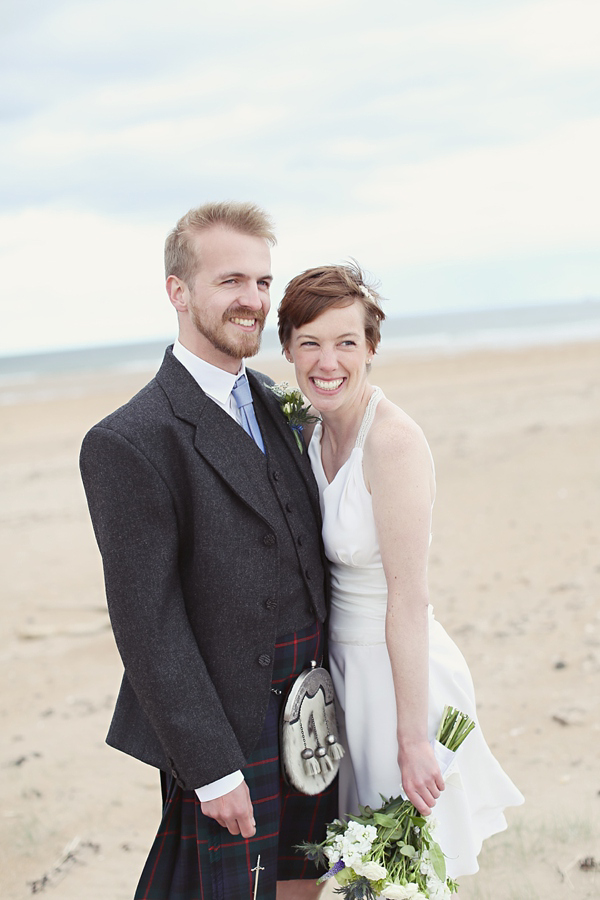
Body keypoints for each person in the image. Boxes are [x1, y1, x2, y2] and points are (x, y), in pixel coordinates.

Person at [79, 202, 337, 900]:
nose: (252, 301)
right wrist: (212, 768)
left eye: (261, 281)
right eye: (230, 281)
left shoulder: (282, 404)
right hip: (229, 723)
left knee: (304, 885)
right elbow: (147, 622)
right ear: (178, 291)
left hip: (318, 711)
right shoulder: (131, 439)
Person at [277, 263, 524, 879]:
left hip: (400, 682)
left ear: (371, 348)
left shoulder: (391, 443)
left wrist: (413, 739)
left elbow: (409, 600)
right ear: (287, 349)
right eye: (309, 342)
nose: (326, 361)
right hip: (342, 678)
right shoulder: (307, 432)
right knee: (363, 877)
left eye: (346, 343)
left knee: (406, 876)